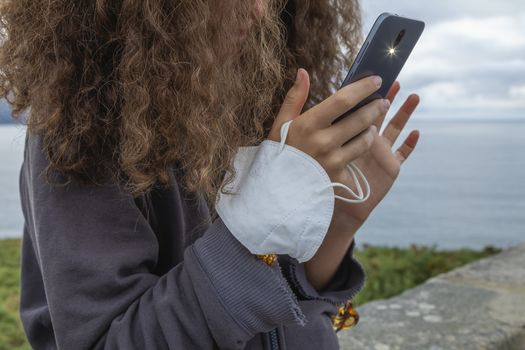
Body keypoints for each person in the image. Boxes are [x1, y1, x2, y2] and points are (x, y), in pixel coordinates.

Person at [0, 0, 420, 349]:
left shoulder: (259, 90)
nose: (259, 12)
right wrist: (252, 229)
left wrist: (341, 223)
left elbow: (293, 307)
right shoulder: (81, 125)